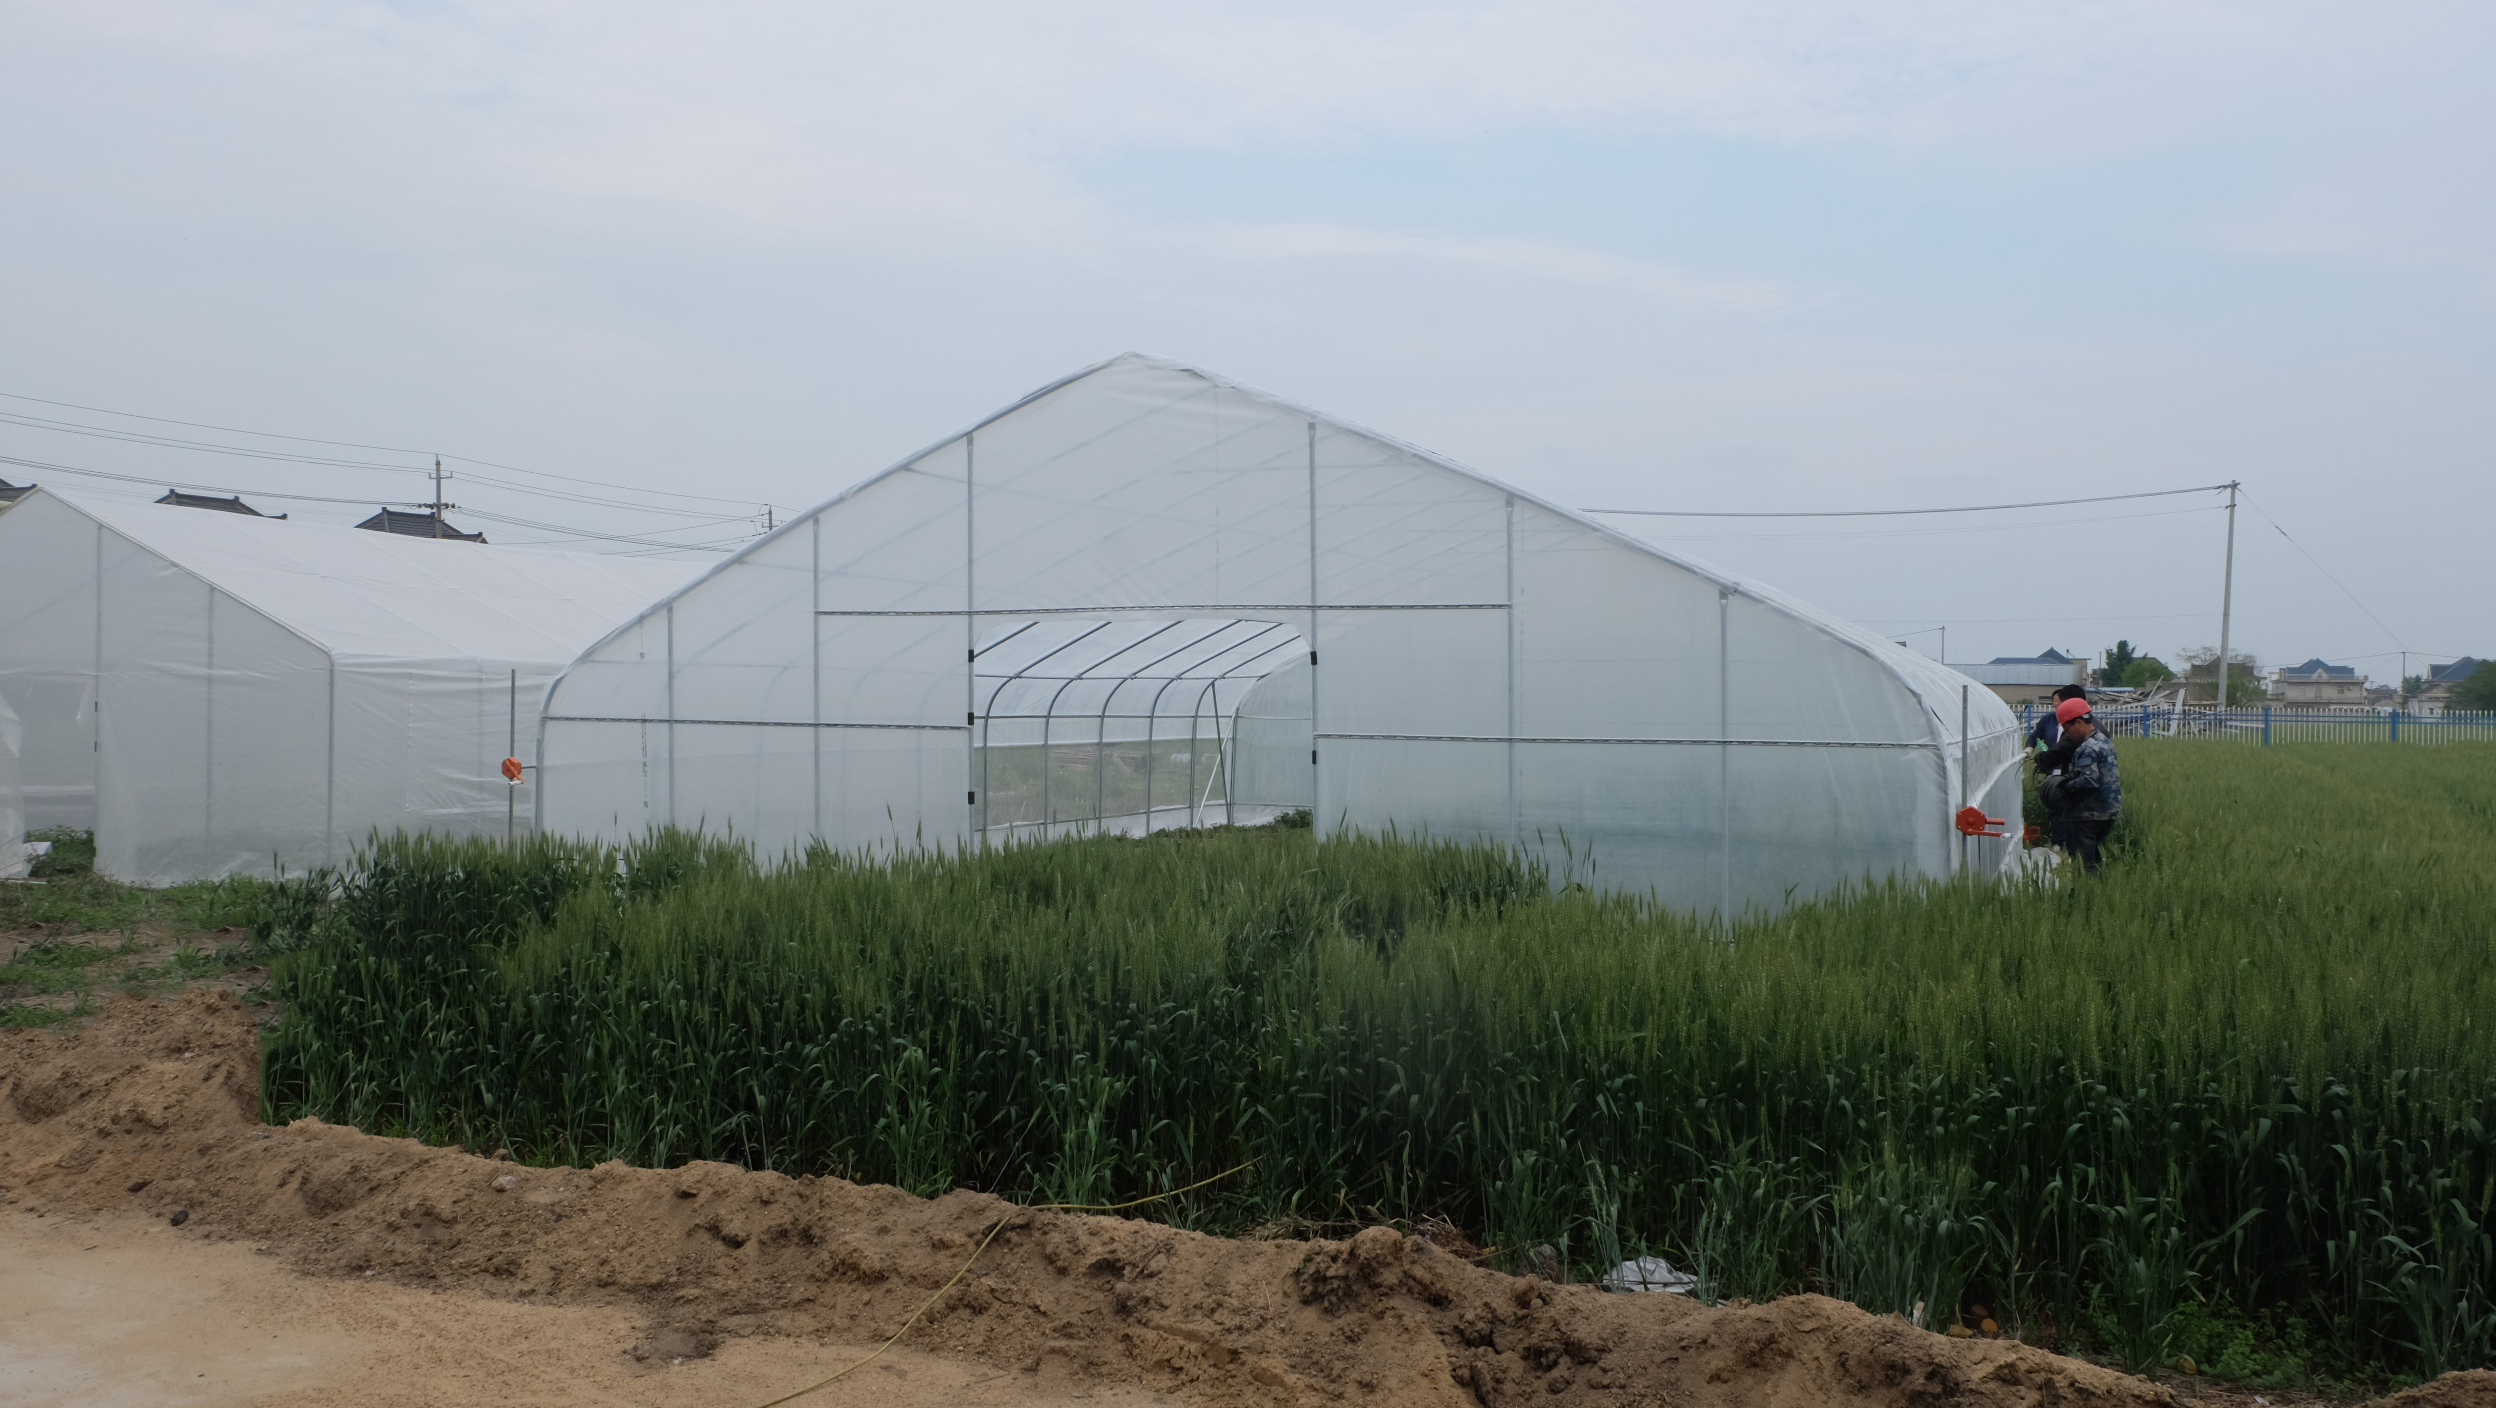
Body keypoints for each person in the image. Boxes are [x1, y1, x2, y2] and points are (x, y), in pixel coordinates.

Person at [2038, 697, 2122, 873]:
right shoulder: (2104, 741)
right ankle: (2100, 891)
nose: (2067, 735)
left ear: (2078, 722)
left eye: (2068, 730)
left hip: (2088, 815)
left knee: (2084, 865)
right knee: (2097, 859)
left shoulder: (2087, 747)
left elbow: (2088, 780)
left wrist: (2065, 785)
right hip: (2108, 811)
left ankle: (2087, 895)